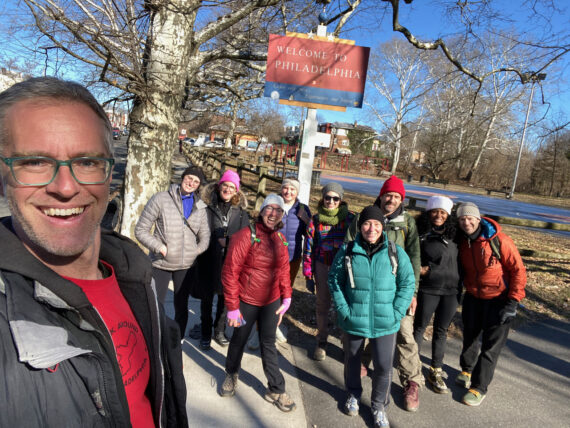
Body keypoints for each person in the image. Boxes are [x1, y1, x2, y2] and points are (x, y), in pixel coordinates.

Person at [0, 76, 187, 427]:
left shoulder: (135, 275)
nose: (66, 187)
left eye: (87, 162)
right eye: (35, 162)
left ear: (108, 171)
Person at [329, 205, 415, 428]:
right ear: (360, 226)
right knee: (352, 361)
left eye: (377, 224)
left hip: (386, 321)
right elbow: (335, 281)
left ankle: (378, 406)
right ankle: (354, 395)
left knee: (384, 366)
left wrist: (396, 311)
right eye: (367, 223)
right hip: (353, 318)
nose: (371, 228)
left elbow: (408, 283)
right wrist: (344, 310)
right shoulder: (347, 250)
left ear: (383, 227)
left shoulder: (395, 252)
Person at [345, 175, 422, 412]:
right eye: (388, 194)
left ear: (402, 199)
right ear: (381, 195)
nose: (391, 199)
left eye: (397, 196)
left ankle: (411, 381)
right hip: (364, 290)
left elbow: (414, 257)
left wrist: (413, 292)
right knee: (361, 331)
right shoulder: (363, 216)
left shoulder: (407, 221)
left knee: (405, 334)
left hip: (396, 293)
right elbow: (348, 248)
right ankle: (361, 364)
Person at [220, 194, 296, 412]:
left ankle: (276, 388)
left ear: (282, 215)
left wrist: (287, 296)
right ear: (261, 211)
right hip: (247, 299)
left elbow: (283, 271)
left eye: (278, 210)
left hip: (270, 300)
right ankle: (231, 373)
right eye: (269, 209)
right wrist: (233, 307)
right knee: (239, 340)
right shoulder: (245, 235)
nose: (273, 214)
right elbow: (230, 272)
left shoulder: (280, 239)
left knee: (268, 343)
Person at [455, 202, 526, 406]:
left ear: (478, 219)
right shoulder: (462, 241)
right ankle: (467, 370)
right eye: (462, 219)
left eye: (470, 218)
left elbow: (518, 270)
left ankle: (479, 387)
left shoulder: (498, 240)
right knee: (469, 336)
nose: (466, 222)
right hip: (473, 297)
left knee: (490, 347)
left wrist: (513, 301)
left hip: (500, 299)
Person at [135, 165, 210, 337]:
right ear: (183, 177)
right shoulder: (161, 199)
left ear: (199, 185)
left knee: (181, 305)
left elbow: (205, 235)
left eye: (196, 181)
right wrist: (159, 247)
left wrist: (196, 251)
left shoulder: (200, 206)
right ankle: (157, 338)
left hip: (186, 266)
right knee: (156, 305)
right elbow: (140, 230)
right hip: (162, 263)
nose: (191, 183)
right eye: (189, 178)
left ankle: (178, 339)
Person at [413, 196, 461, 394]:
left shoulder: (457, 235)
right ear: (428, 212)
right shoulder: (422, 233)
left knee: (441, 331)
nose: (438, 215)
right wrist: (422, 270)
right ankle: (412, 366)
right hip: (429, 289)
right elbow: (411, 256)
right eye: (434, 211)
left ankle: (436, 369)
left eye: (443, 212)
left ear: (448, 215)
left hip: (452, 291)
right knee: (419, 327)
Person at [197, 169, 249, 350]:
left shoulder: (241, 213)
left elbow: (245, 238)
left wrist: (229, 242)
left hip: (230, 262)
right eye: (225, 185)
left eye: (232, 187)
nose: (227, 189)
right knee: (206, 299)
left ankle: (218, 330)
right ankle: (205, 331)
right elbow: (198, 232)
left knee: (225, 300)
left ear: (236, 191)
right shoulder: (206, 208)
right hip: (207, 259)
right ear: (219, 186)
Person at [303, 182, 355, 361]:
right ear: (323, 198)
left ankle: (345, 340)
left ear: (341, 200)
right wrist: (308, 272)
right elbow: (309, 247)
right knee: (322, 304)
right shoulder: (316, 220)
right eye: (328, 197)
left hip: (343, 269)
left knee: (344, 305)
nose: (331, 201)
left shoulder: (350, 219)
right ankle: (322, 340)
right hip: (322, 265)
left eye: (335, 198)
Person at [277, 177, 311, 342]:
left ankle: (275, 325)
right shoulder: (274, 204)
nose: (288, 192)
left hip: (292, 258)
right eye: (286, 188)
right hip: (272, 259)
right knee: (267, 293)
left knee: (285, 294)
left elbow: (309, 235)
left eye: (292, 189)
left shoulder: (303, 209)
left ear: (297, 192)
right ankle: (259, 329)